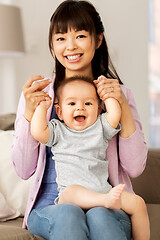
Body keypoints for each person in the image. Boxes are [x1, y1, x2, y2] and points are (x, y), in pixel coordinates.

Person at [11, 0, 148, 239]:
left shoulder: (120, 95)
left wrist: (122, 106)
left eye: (81, 36)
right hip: (51, 207)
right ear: (52, 45)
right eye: (61, 38)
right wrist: (29, 115)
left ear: (98, 39)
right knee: (68, 213)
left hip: (106, 204)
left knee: (100, 215)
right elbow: (23, 170)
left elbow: (135, 168)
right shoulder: (40, 95)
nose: (70, 46)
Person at [31, 75, 150, 240]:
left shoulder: (100, 127)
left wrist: (107, 95)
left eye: (88, 103)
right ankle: (103, 201)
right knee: (71, 191)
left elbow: (114, 114)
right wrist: (42, 108)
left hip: (103, 191)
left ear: (99, 108)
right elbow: (38, 132)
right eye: (72, 103)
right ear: (59, 111)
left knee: (138, 204)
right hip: (73, 195)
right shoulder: (58, 130)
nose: (80, 108)